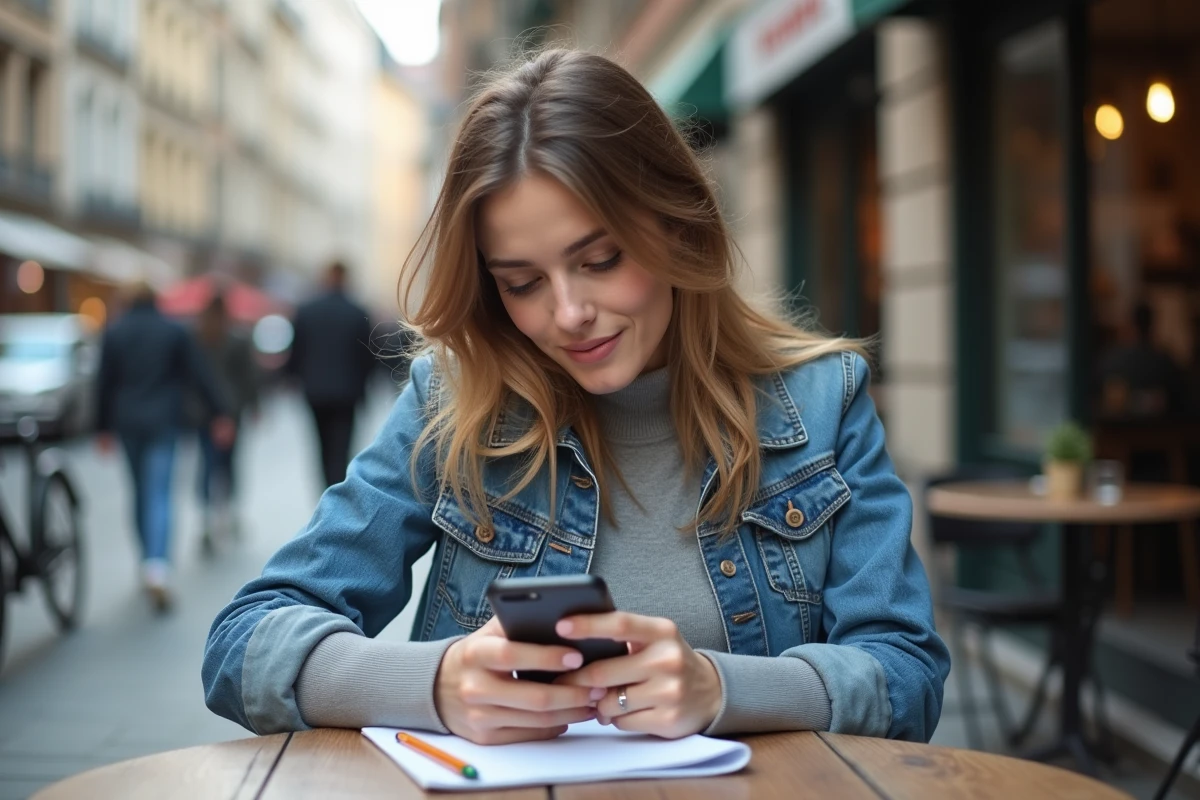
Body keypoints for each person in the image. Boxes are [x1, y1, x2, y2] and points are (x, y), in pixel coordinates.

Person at [203, 49, 949, 744]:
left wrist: (724, 689)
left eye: (600, 260)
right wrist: (436, 683)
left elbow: (907, 675)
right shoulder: (453, 405)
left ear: (677, 226)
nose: (567, 314)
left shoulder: (823, 402)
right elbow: (243, 645)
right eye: (522, 282)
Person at [96, 281, 234, 611]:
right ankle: (157, 566)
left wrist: (101, 427)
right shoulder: (173, 331)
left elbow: (103, 382)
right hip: (164, 422)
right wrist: (220, 412)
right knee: (159, 492)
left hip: (128, 423)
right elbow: (199, 374)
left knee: (139, 492)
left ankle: (146, 559)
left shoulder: (115, 332)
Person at [286, 261, 376, 488]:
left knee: (321, 445)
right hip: (347, 393)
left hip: (315, 391)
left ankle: (326, 487)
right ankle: (336, 486)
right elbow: (368, 357)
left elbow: (296, 352)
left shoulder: (306, 311)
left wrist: (294, 378)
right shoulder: (358, 313)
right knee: (342, 447)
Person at [191, 291, 260, 552]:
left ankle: (207, 519)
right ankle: (229, 514)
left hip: (204, 414)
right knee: (230, 465)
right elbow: (249, 377)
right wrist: (254, 405)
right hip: (231, 412)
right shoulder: (237, 338)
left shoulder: (197, 337)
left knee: (207, 465)